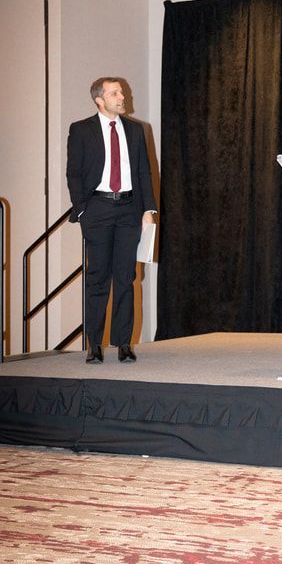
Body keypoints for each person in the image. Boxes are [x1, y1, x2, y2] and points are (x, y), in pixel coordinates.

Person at [67, 77, 157, 364]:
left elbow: (144, 172)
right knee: (97, 278)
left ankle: (123, 343)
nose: (122, 97)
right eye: (115, 93)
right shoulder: (81, 129)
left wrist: (148, 210)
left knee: (126, 278)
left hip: (129, 210)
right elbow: (74, 173)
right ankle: (94, 344)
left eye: (121, 92)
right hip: (98, 209)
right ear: (99, 99)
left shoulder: (136, 130)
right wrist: (82, 210)